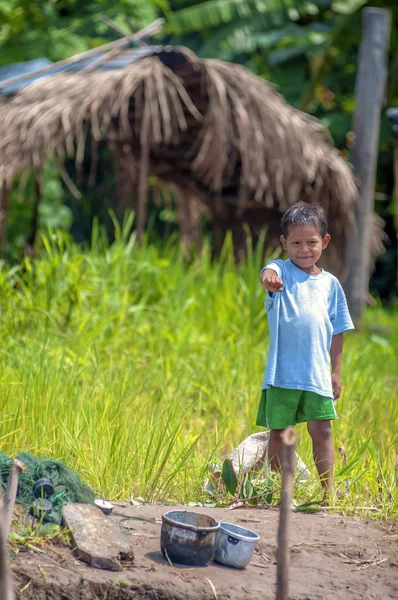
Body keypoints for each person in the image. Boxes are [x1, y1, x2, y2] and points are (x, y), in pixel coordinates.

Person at [256, 202, 354, 498]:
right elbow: (267, 270)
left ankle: (329, 493)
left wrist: (336, 372)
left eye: (311, 242)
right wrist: (269, 279)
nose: (304, 249)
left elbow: (338, 331)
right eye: (295, 242)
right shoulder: (281, 271)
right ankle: (274, 491)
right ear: (285, 243)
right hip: (283, 372)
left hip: (317, 375)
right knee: (281, 433)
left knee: (322, 430)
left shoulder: (331, 285)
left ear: (324, 242)